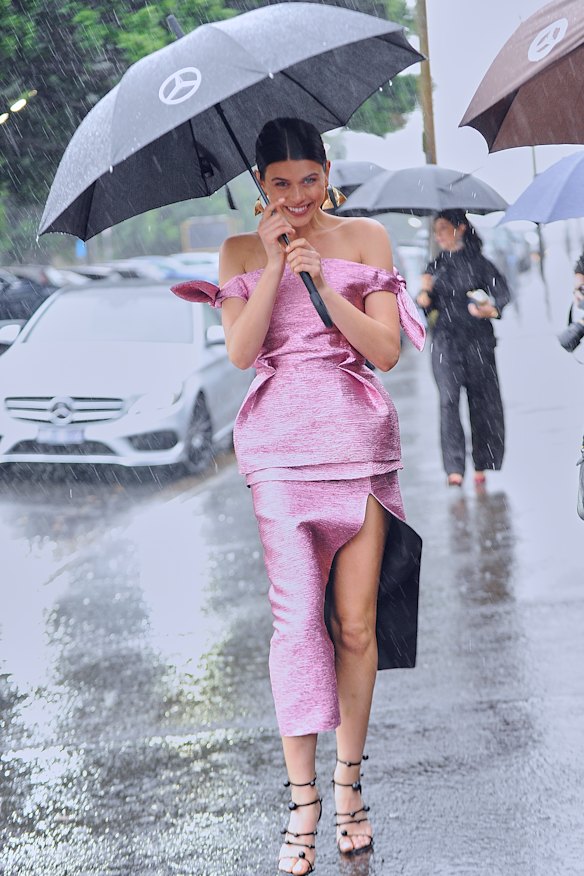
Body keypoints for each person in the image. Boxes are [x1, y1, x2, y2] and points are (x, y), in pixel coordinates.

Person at [171, 117, 425, 875]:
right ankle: (303, 802)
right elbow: (244, 353)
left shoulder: (367, 241)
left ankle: (349, 789)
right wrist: (279, 269)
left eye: (309, 179)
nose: (297, 195)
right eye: (279, 184)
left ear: (326, 172)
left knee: (353, 627)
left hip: (359, 445)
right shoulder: (240, 253)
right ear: (259, 186)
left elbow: (385, 350)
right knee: (296, 629)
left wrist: (320, 278)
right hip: (278, 454)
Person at [416, 209, 510, 488]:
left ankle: (483, 462)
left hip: (479, 342)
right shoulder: (434, 266)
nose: (438, 235)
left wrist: (491, 308)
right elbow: (425, 306)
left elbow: (502, 293)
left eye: (443, 228)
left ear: (460, 228)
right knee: (448, 401)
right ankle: (454, 468)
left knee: (482, 402)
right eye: (436, 230)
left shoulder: (481, 264)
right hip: (446, 342)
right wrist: (423, 294)